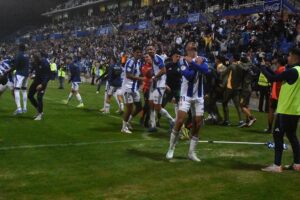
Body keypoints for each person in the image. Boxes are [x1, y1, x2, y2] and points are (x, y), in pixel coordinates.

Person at [166, 42, 209, 162]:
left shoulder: (202, 58)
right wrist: (197, 65)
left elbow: (206, 71)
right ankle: (171, 148)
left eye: (195, 47)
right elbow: (188, 76)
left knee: (198, 125)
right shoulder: (181, 61)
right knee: (179, 121)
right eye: (190, 48)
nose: (193, 49)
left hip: (199, 97)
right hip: (186, 95)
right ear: (187, 50)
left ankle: (191, 153)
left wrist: (193, 63)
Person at [261, 48, 300, 172]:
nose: (287, 58)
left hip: (286, 110)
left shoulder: (292, 71)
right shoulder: (297, 71)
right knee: (292, 136)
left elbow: (272, 79)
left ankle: (277, 165)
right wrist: (266, 68)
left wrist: (262, 68)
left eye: (289, 55)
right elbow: (276, 75)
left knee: (278, 135)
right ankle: (297, 164)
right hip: (295, 110)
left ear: (295, 57)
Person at [147, 45, 174, 132]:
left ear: (155, 50)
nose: (150, 51)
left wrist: (154, 77)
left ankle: (172, 121)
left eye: (151, 49)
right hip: (157, 85)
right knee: (151, 104)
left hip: (160, 86)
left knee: (158, 107)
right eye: (148, 50)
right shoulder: (153, 59)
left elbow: (163, 70)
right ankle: (153, 125)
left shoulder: (157, 58)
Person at [121, 46, 144, 134]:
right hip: (127, 88)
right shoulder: (130, 62)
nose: (139, 54)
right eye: (137, 52)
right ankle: (123, 127)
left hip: (134, 89)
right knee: (129, 108)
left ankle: (129, 121)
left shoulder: (138, 62)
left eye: (140, 52)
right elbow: (128, 75)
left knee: (139, 107)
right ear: (133, 53)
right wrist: (140, 78)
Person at [264, 56, 286, 133]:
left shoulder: (279, 70)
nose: (276, 64)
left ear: (279, 63)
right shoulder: (285, 70)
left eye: (276, 63)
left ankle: (270, 128)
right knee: (281, 113)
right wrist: (267, 68)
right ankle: (280, 129)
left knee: (271, 111)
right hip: (282, 94)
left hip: (275, 94)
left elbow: (272, 77)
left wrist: (263, 69)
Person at [28, 52, 51, 120]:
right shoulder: (35, 62)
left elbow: (48, 75)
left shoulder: (45, 63)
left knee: (39, 97)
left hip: (42, 82)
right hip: (36, 81)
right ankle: (39, 109)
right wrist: (31, 74)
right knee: (30, 95)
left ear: (37, 58)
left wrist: (42, 84)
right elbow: (33, 68)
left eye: (33, 59)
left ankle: (40, 114)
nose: (32, 60)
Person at [222, 54, 244, 126]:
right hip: (237, 88)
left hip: (230, 87)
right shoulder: (241, 66)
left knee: (224, 103)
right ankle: (241, 121)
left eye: (231, 57)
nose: (230, 59)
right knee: (237, 105)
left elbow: (224, 73)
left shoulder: (232, 66)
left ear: (234, 59)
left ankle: (227, 120)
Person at [239, 53, 256, 127]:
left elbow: (242, 67)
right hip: (249, 88)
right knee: (246, 105)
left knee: (242, 106)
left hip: (245, 89)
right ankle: (247, 121)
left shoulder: (244, 68)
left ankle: (252, 118)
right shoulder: (250, 68)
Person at [13, 43, 30, 115]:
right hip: (26, 74)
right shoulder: (27, 55)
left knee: (16, 90)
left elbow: (15, 66)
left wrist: (8, 71)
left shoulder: (18, 55)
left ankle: (19, 108)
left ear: (19, 48)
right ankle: (25, 108)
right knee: (24, 90)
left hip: (20, 74)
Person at [140, 54, 153, 128]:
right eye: (145, 57)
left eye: (147, 57)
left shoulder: (155, 65)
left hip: (154, 88)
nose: (146, 58)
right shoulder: (144, 67)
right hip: (146, 88)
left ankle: (145, 119)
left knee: (150, 106)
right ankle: (144, 120)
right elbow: (150, 75)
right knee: (148, 105)